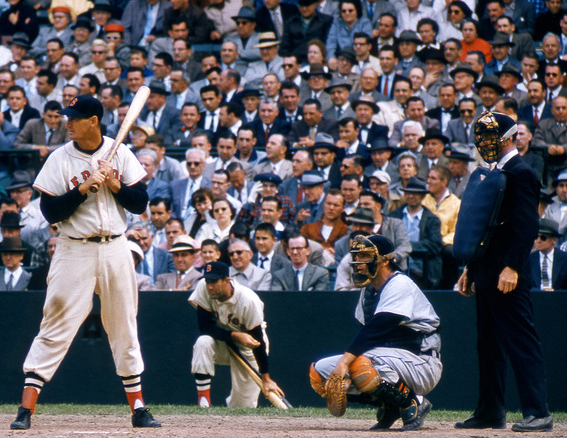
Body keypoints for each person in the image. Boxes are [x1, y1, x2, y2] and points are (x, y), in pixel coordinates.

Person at [11, 95, 160, 430]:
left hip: (115, 247)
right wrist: (82, 188)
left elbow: (139, 203)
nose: (68, 122)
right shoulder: (59, 158)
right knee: (56, 322)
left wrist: (113, 182)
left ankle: (138, 409)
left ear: (93, 120)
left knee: (123, 324)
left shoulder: (120, 152)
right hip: (73, 247)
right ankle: (25, 409)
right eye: (68, 117)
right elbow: (50, 212)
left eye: (75, 118)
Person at [455, 111, 553, 432]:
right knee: (489, 344)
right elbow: (481, 227)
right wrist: (470, 267)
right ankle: (489, 411)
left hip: (509, 275)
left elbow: (526, 227)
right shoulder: (488, 172)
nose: (485, 143)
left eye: (490, 137)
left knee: (520, 341)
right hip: (485, 271)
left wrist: (512, 266)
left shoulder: (521, 172)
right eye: (481, 137)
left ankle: (538, 412)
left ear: (510, 137)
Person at [311, 234, 441, 431]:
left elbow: (377, 329)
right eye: (356, 256)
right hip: (390, 362)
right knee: (320, 372)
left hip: (421, 362)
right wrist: (343, 371)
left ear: (385, 260)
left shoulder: (399, 283)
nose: (358, 263)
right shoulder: (369, 290)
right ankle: (390, 405)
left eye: (364, 256)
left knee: (360, 364)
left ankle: (413, 402)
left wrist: (344, 364)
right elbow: (367, 336)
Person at [189, 261, 285, 408]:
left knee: (241, 407)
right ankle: (204, 402)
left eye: (214, 281)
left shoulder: (249, 300)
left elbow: (258, 342)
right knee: (203, 342)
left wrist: (266, 378)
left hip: (249, 347)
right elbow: (205, 327)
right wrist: (235, 335)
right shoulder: (204, 287)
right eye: (207, 280)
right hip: (222, 341)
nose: (209, 286)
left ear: (227, 280)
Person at [529, 219, 567, 291]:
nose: (538, 240)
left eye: (543, 237)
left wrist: (554, 292)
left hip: (559, 299)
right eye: (536, 237)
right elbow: (525, 286)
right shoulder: (529, 259)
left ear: (554, 240)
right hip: (535, 298)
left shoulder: (565, 259)